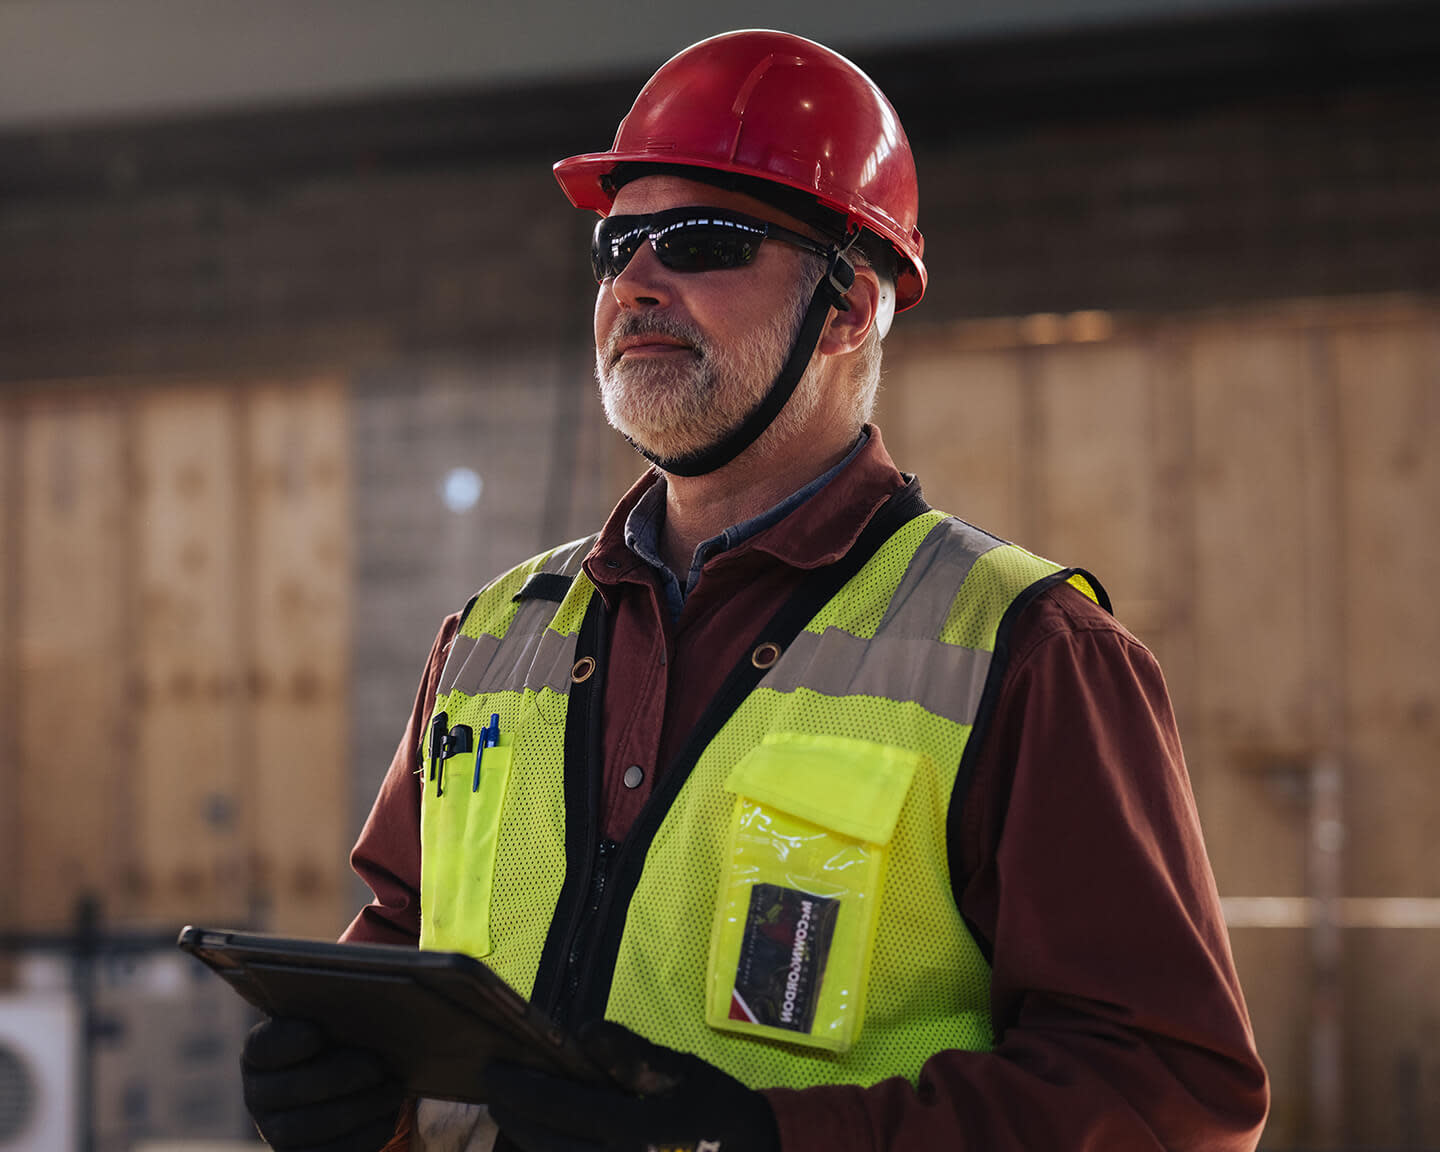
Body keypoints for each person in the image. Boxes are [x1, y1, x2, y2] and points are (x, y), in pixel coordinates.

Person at [241, 28, 1270, 1152]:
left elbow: (1171, 1099)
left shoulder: (1028, 653)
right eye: (616, 245)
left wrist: (768, 1141)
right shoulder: (491, 638)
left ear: (849, 308)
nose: (635, 281)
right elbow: (402, 943)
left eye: (702, 242)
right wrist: (352, 1096)